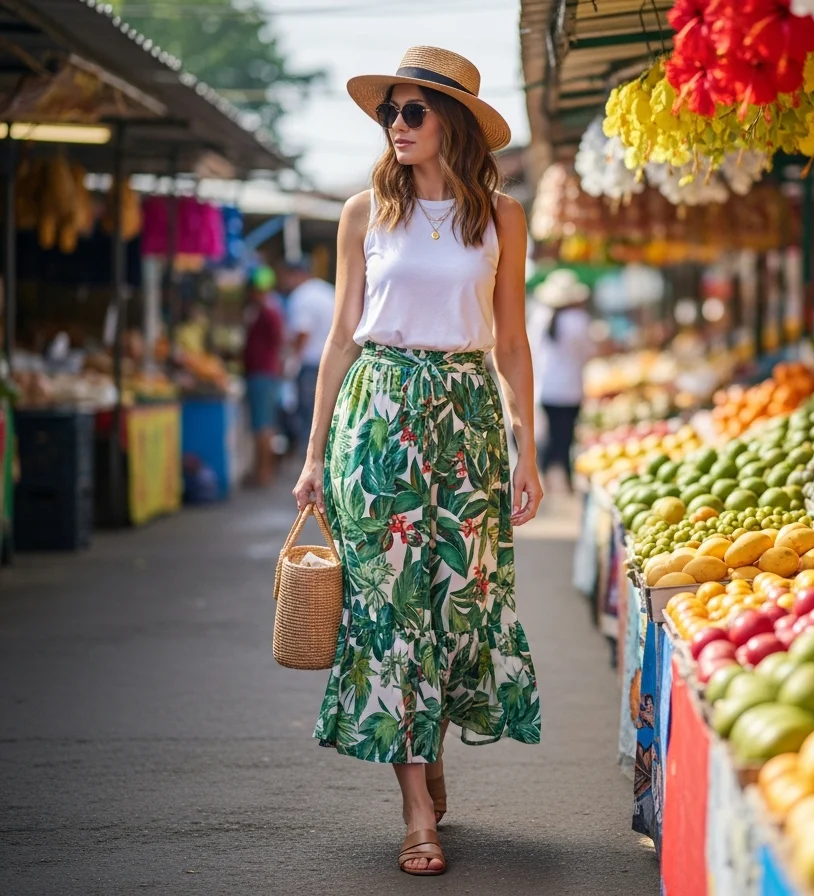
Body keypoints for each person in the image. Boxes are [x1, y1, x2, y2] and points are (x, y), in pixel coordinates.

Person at [290, 47, 542, 877]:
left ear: (453, 124)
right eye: (388, 113)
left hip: (466, 419)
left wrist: (527, 450)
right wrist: (315, 452)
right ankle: (415, 813)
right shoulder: (364, 212)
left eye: (412, 112)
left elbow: (510, 341)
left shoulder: (502, 218)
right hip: (379, 417)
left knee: (457, 603)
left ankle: (429, 751)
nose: (396, 126)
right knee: (391, 611)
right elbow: (337, 339)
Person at [530, 269, 596, 494]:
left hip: (546, 387)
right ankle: (566, 478)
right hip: (570, 388)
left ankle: (546, 475)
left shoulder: (540, 317)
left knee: (550, 434)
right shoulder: (578, 320)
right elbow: (587, 351)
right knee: (566, 436)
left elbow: (532, 351)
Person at [279, 260, 336, 445]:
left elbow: (303, 334)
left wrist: (290, 361)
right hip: (334, 361)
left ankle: (310, 461)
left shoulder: (302, 296)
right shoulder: (327, 291)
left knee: (310, 417)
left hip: (311, 365)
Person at [243, 265, 285, 488]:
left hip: (263, 374)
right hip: (263, 373)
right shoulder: (265, 312)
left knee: (263, 426)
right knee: (263, 425)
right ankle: (262, 470)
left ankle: (264, 472)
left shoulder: (268, 313)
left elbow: (278, 342)